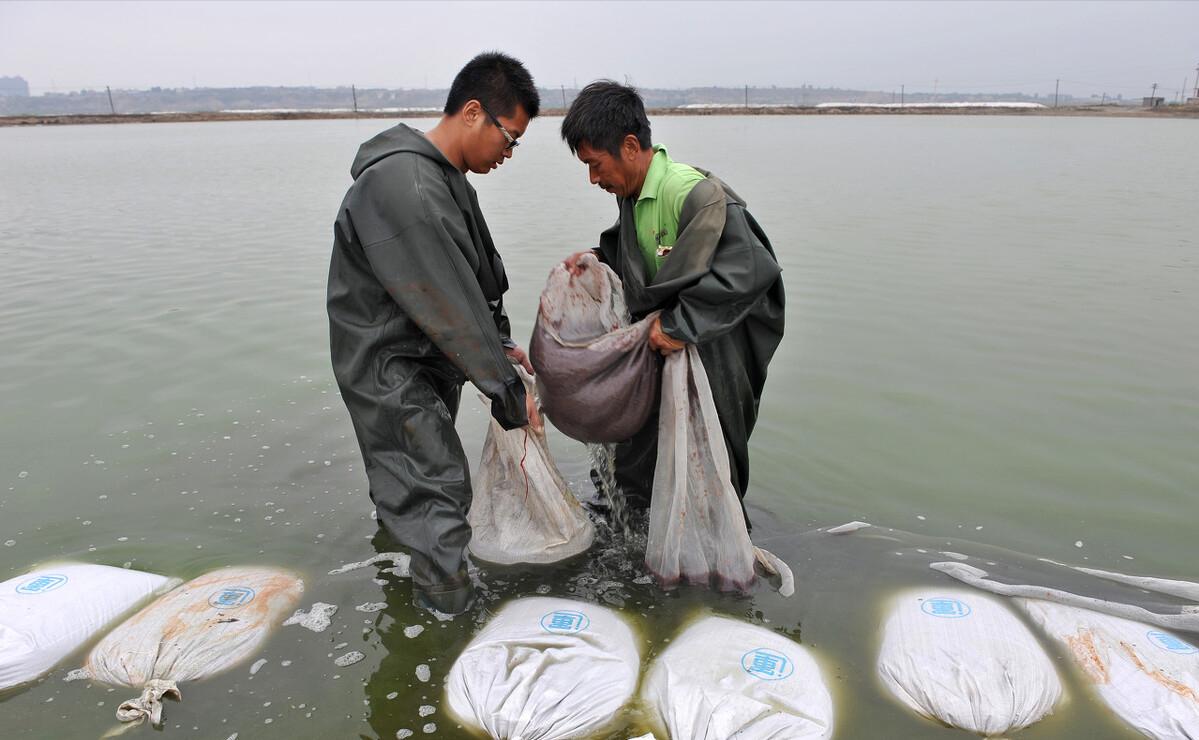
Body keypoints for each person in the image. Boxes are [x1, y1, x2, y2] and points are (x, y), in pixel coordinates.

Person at [327, 52, 541, 615]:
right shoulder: (405, 185)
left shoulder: (444, 180)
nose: (508, 154)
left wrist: (500, 345)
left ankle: (407, 591)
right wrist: (506, 392)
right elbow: (445, 299)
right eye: (509, 138)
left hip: (424, 359)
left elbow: (473, 279)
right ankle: (447, 622)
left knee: (412, 488)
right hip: (389, 367)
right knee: (436, 490)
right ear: (474, 113)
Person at [560, 81, 785, 521]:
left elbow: (751, 269)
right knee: (638, 447)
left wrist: (679, 326)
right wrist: (596, 260)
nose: (593, 179)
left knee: (711, 455)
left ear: (629, 146)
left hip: (719, 346)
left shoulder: (690, 193)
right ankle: (635, 526)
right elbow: (637, 258)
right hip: (675, 338)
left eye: (594, 164)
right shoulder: (634, 194)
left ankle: (719, 546)